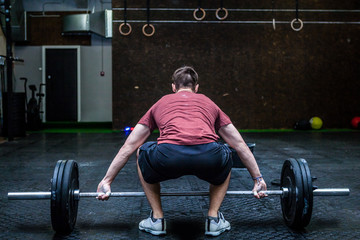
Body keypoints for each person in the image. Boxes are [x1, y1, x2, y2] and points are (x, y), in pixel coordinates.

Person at [97, 66, 267, 237]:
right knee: (227, 153)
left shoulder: (161, 102)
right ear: (197, 87)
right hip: (208, 157)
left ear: (173, 87)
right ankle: (213, 219)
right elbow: (240, 145)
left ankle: (157, 220)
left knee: (142, 151)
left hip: (168, 157)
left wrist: (107, 180)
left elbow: (128, 147)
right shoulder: (209, 103)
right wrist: (257, 178)